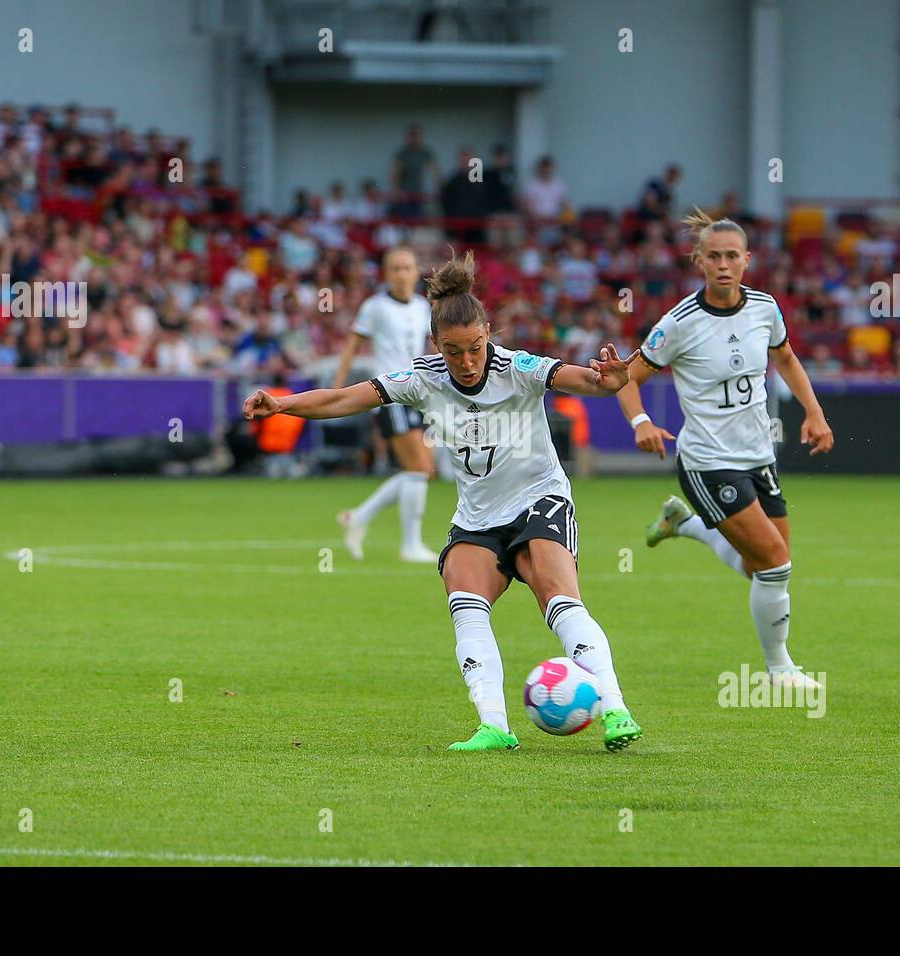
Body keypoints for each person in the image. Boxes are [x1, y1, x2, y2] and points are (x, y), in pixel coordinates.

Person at [246, 251, 644, 752]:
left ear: (489, 333)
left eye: (475, 348)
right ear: (437, 344)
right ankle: (494, 725)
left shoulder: (518, 368)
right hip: (478, 515)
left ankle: (615, 709)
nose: (467, 361)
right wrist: (283, 403)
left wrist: (610, 383)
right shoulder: (422, 378)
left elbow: (584, 379)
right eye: (454, 351)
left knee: (558, 598)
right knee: (465, 601)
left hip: (538, 500)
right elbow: (344, 398)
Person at [615, 209, 834, 687]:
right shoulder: (679, 323)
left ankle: (685, 525)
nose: (723, 264)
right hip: (707, 463)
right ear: (699, 261)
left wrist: (814, 413)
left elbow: (789, 360)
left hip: (759, 455)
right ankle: (780, 670)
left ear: (747, 260)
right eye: (713, 256)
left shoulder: (765, 308)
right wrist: (641, 421)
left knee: (765, 568)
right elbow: (625, 378)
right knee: (776, 563)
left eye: (732, 256)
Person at [330, 247, 436, 563]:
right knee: (418, 469)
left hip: (419, 393)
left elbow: (427, 348)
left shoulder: (422, 307)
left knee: (422, 470)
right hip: (391, 393)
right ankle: (410, 545)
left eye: (407, 268)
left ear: (417, 272)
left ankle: (358, 517)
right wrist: (337, 386)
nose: (401, 274)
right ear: (386, 274)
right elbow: (352, 344)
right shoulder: (375, 307)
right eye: (395, 269)